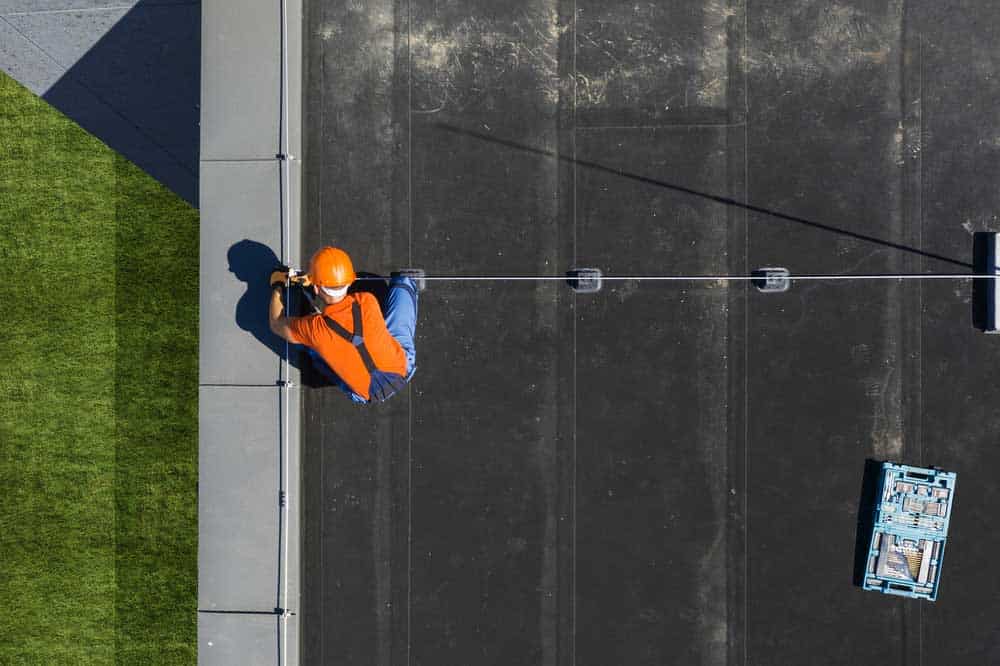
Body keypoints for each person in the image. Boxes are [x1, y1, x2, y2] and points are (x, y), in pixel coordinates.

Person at [268, 246, 418, 403]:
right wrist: (315, 281)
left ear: (317, 288)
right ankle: (407, 283)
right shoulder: (367, 300)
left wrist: (278, 286)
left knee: (311, 346)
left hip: (367, 395)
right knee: (402, 286)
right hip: (402, 369)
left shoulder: (313, 329)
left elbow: (275, 323)